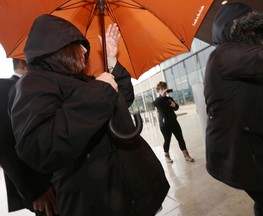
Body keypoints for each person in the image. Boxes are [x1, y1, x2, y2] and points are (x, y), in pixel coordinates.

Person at [8, 14, 169, 216]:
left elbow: (124, 99)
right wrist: (99, 91)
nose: (85, 50)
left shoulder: (83, 81)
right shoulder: (33, 83)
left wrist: (111, 59)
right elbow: (41, 146)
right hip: (99, 201)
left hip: (136, 191)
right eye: (78, 44)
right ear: (59, 47)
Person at [204, 2, 263, 216]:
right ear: (233, 30)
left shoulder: (241, 60)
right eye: (247, 30)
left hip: (253, 145)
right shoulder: (223, 55)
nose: (253, 35)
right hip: (239, 152)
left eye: (255, 30)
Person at [0, 59, 59, 216]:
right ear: (22, 61)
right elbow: (4, 143)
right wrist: (36, 190)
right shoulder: (3, 89)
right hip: (44, 190)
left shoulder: (41, 89)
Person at [152, 81, 194, 163]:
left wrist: (175, 106)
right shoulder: (158, 100)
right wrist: (162, 95)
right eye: (162, 89)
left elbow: (176, 107)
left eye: (165, 88)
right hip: (165, 125)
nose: (164, 90)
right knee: (167, 140)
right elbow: (154, 103)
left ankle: (186, 155)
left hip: (174, 123)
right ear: (158, 91)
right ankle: (167, 156)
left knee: (180, 139)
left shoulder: (169, 99)